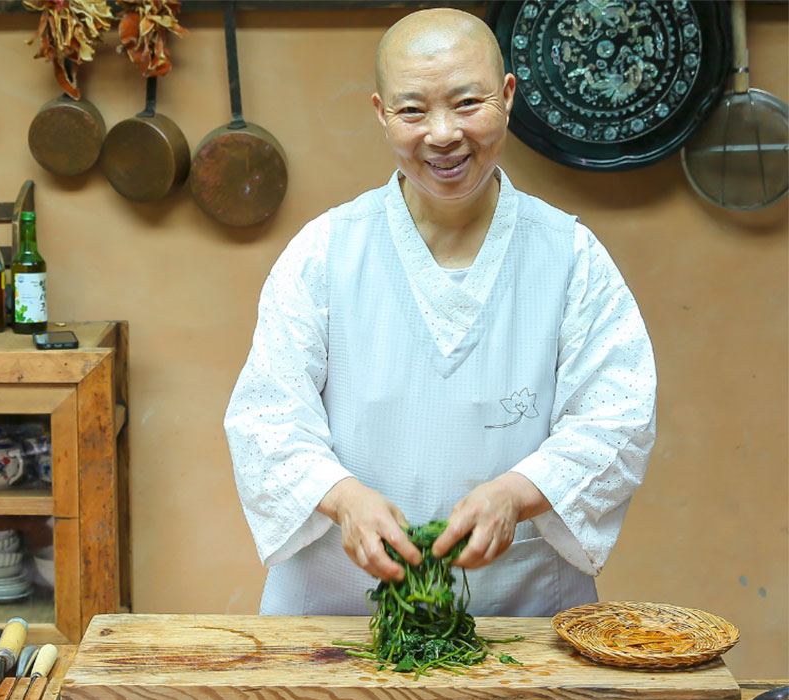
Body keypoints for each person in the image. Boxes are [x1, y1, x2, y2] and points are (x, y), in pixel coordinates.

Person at [223, 8, 657, 618]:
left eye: (467, 102)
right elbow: (265, 418)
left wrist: (517, 494)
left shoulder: (570, 256)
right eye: (412, 111)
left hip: (519, 621)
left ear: (507, 97)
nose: (444, 133)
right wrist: (343, 498)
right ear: (381, 113)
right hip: (336, 621)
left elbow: (619, 418)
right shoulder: (323, 253)